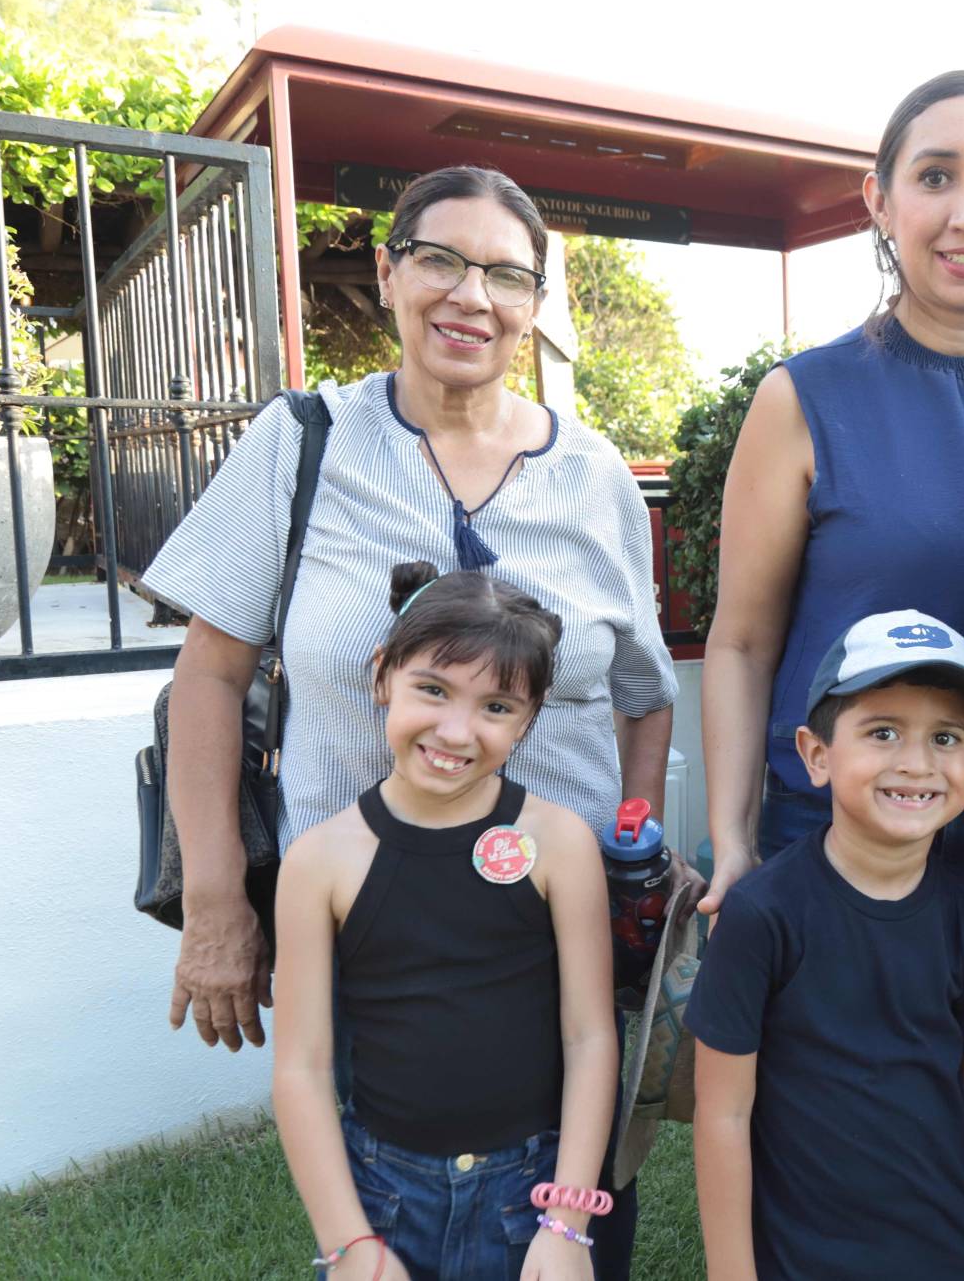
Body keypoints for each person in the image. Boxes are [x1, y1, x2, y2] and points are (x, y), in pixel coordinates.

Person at [142, 164, 677, 1274]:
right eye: (438, 258)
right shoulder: (302, 443)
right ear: (387, 274)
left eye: (504, 274)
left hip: (558, 938)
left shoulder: (594, 477)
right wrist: (214, 902)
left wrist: (626, 859)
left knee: (571, 1234)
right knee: (383, 1218)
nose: (468, 295)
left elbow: (643, 695)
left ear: (535, 305)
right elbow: (208, 678)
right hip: (364, 946)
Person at [700, 70, 964, 913]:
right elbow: (741, 644)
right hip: (835, 858)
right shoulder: (802, 399)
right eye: (936, 176)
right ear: (880, 201)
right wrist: (731, 840)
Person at [274, 561, 615, 1281]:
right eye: (432, 689)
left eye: (496, 706)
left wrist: (568, 1223)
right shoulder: (318, 862)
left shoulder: (560, 843)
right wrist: (351, 1244)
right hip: (383, 1197)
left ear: (530, 717)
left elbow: (589, 1038)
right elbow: (302, 1068)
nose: (456, 730)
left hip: (533, 1195)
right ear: (381, 677)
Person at [689, 611, 964, 1281]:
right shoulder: (761, 916)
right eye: (882, 732)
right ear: (817, 753)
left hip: (946, 1256)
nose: (916, 762)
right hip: (803, 1260)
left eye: (946, 737)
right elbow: (723, 1113)